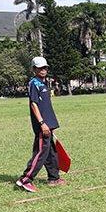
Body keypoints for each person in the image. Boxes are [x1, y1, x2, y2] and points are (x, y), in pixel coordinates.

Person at [16, 56, 67, 193]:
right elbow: (34, 104)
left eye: (45, 67)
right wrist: (42, 123)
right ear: (34, 69)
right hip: (42, 125)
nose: (43, 70)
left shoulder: (43, 83)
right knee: (40, 153)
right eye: (39, 68)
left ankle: (54, 178)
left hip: (48, 124)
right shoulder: (34, 83)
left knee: (50, 152)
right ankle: (25, 180)